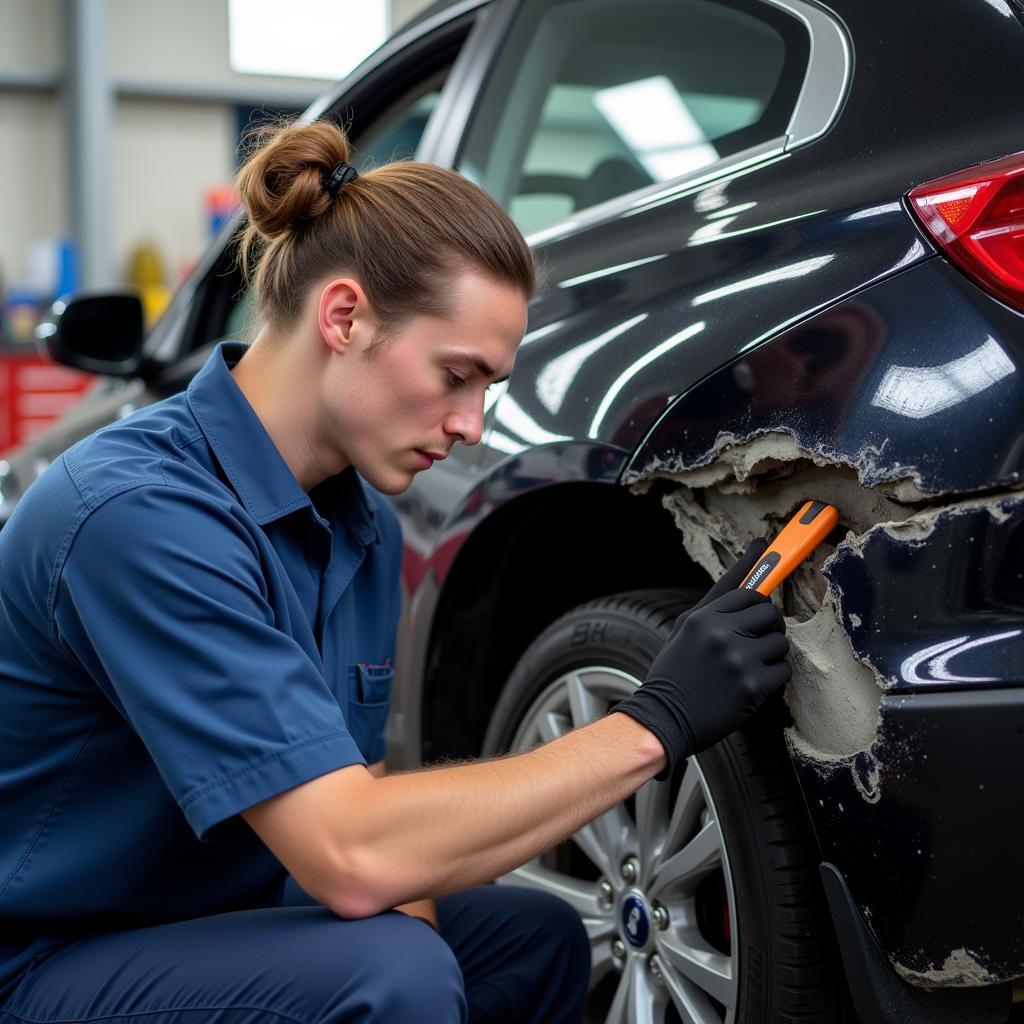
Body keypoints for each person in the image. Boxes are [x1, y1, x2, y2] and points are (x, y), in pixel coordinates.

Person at [0, 118, 790, 1024]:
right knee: (391, 975)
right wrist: (656, 722)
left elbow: (371, 810)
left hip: (212, 917)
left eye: (486, 388)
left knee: (528, 940)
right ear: (345, 318)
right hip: (43, 959)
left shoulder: (357, 526)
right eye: (458, 374)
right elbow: (350, 853)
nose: (472, 425)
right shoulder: (138, 516)